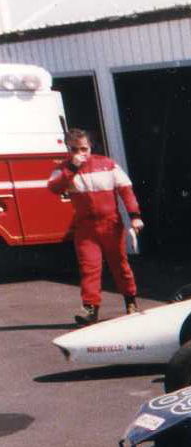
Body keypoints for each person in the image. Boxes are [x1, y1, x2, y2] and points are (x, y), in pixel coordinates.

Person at [47, 129, 143, 325]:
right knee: (89, 269)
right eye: (75, 149)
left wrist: (135, 216)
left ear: (91, 147)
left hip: (111, 225)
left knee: (120, 265)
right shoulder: (64, 168)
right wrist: (72, 169)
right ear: (69, 149)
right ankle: (90, 308)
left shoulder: (107, 164)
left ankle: (131, 301)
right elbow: (54, 188)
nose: (81, 153)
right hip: (85, 228)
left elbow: (126, 190)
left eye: (84, 148)